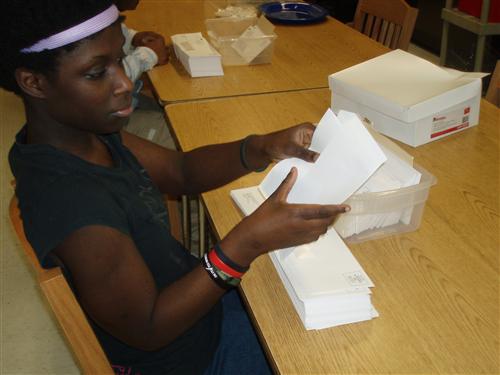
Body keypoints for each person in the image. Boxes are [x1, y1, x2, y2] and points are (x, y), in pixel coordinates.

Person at [1, 1, 349, 374]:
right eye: (97, 73)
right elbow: (148, 328)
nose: (123, 83)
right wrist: (246, 243)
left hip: (196, 312)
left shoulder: (81, 136)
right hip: (187, 357)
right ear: (33, 82)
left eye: (121, 59)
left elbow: (181, 171)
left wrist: (262, 147)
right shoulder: (72, 203)